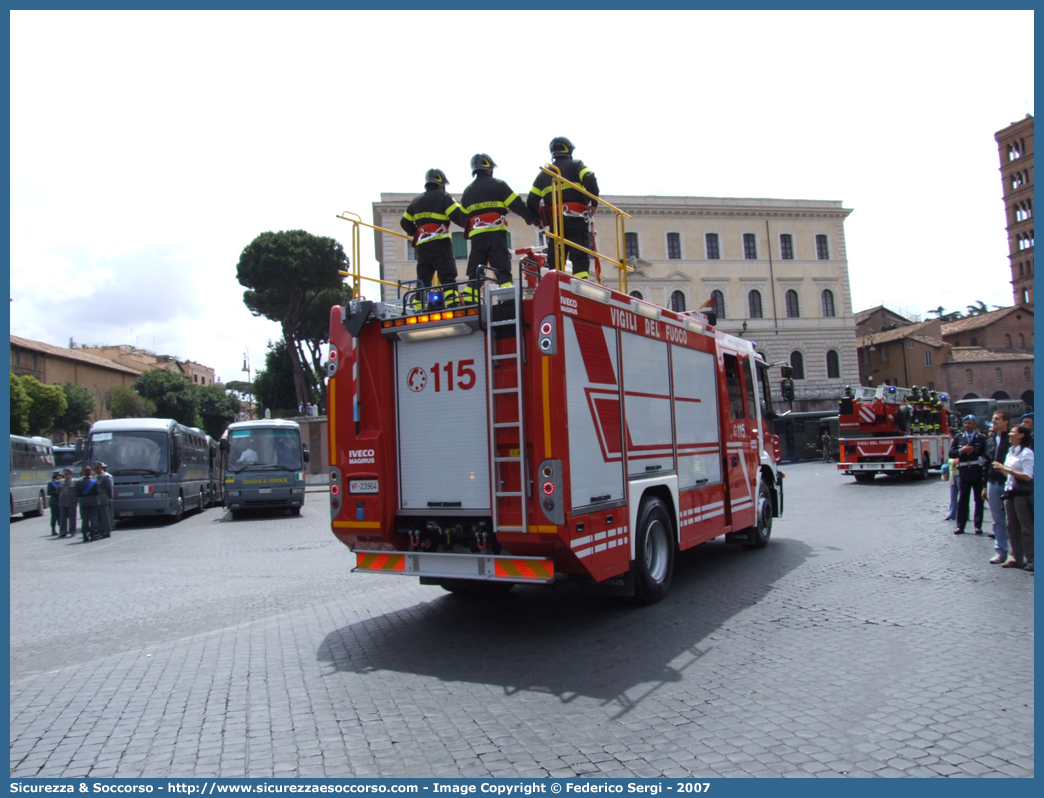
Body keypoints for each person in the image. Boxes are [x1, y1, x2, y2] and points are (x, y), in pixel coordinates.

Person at [460, 153, 542, 300]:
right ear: (490, 169)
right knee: (502, 268)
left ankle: (468, 301)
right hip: (496, 236)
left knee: (476, 270)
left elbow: (464, 216)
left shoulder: (468, 191)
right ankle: (507, 300)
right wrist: (534, 219)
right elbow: (517, 205)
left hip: (477, 239)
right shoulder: (498, 185)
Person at [526, 137, 600, 280]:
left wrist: (538, 221)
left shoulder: (544, 174)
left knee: (556, 260)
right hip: (577, 220)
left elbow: (531, 200)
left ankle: (556, 287)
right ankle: (581, 287)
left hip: (556, 224)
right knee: (579, 256)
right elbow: (590, 178)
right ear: (569, 150)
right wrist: (594, 203)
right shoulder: (577, 165)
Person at [400, 169, 469, 308]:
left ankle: (419, 306)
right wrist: (471, 224)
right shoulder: (443, 196)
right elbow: (459, 216)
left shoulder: (416, 201)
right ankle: (452, 303)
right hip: (440, 244)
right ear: (441, 184)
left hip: (423, 247)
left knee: (423, 279)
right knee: (447, 275)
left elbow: (404, 222)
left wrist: (418, 233)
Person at [993, 424, 1034, 571]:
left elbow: (1028, 477)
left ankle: (1032, 559)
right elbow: (1010, 474)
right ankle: (1016, 557)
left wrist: (1005, 469)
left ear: (1021, 435)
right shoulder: (1011, 451)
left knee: (1026, 527)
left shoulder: (1027, 453)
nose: (1010, 434)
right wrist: (1001, 469)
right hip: (1010, 491)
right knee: (1012, 526)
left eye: (1013, 432)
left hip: (1022, 494)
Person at [949, 414, 987, 535]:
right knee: (963, 500)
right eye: (965, 423)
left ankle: (978, 525)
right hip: (964, 472)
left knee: (978, 500)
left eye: (969, 423)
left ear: (975, 425)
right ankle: (960, 526)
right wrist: (961, 451)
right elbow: (951, 453)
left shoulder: (981, 438)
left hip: (977, 470)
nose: (967, 425)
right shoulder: (959, 437)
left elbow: (985, 454)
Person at [983, 411, 1011, 563]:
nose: (994, 421)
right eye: (993, 418)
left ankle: (1016, 552)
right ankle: (1001, 551)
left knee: (1013, 519)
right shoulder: (990, 441)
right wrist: (984, 486)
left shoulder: (1011, 440)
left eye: (997, 419)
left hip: (1008, 482)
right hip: (993, 481)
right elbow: (986, 464)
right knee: (997, 520)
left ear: (1006, 422)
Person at [76, 465, 101, 542]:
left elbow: (77, 494)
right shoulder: (94, 482)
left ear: (83, 473)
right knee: (93, 518)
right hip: (93, 501)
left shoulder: (79, 482)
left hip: (83, 502)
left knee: (84, 519)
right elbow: (97, 492)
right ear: (90, 473)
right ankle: (93, 534)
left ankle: (85, 535)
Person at [93, 461, 113, 539]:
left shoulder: (106, 476)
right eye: (95, 468)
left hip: (104, 498)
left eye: (98, 468)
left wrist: (110, 498)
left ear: (101, 468)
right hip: (97, 499)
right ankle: (101, 530)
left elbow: (109, 488)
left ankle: (107, 531)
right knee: (98, 516)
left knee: (105, 516)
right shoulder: (95, 476)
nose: (96, 469)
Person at [57, 468, 79, 538]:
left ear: (70, 474)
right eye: (64, 474)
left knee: (72, 517)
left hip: (71, 501)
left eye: (67, 474)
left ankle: (72, 531)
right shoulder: (61, 482)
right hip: (63, 502)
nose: (65, 476)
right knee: (62, 518)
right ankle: (63, 531)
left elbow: (77, 491)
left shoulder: (75, 481)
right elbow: (58, 491)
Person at [47, 471, 62, 535]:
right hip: (54, 502)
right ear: (56, 476)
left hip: (61, 501)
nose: (60, 476)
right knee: (54, 516)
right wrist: (57, 493)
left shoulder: (61, 482)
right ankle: (53, 530)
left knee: (61, 516)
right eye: (59, 475)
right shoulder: (51, 483)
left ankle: (62, 529)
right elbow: (49, 492)